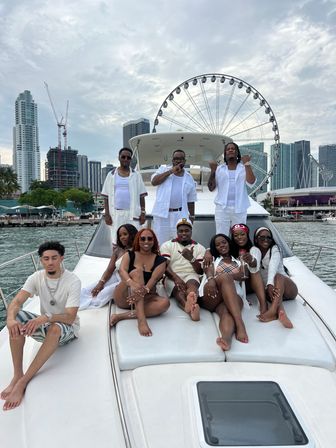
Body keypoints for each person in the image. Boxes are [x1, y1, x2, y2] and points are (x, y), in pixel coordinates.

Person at [1, 241, 81, 411]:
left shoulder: (72, 281)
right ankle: (17, 374)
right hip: (45, 324)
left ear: (61, 259)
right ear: (41, 261)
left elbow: (70, 316)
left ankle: (23, 381)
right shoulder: (36, 277)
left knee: (55, 328)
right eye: (46, 259)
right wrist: (10, 320)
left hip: (67, 329)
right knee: (16, 319)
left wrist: (45, 318)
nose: (50, 262)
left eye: (54, 258)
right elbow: (16, 302)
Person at [110, 228, 170, 336]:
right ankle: (141, 321)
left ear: (154, 241)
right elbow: (122, 271)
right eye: (143, 238)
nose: (146, 241)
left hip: (146, 296)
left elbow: (154, 279)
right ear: (138, 240)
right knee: (137, 272)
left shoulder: (161, 260)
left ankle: (120, 316)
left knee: (165, 303)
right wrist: (132, 284)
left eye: (149, 238)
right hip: (125, 296)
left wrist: (141, 293)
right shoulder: (130, 254)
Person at [199, 234, 248, 351]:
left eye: (224, 242)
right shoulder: (212, 258)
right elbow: (208, 269)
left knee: (226, 313)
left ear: (229, 243)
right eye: (217, 244)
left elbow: (244, 275)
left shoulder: (239, 259)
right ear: (214, 248)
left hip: (232, 295)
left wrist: (226, 276)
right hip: (213, 292)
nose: (221, 245)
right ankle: (240, 325)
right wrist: (212, 279)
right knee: (225, 278)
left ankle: (226, 339)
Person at [79, 224, 138, 310]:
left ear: (132, 234)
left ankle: (80, 307)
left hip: (126, 280)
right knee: (89, 289)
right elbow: (109, 270)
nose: (122, 237)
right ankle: (69, 303)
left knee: (103, 293)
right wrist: (101, 283)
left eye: (125, 234)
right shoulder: (118, 250)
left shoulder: (138, 251)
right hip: (115, 276)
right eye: (120, 235)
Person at [160, 218, 206, 321]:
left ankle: (191, 303)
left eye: (187, 231)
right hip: (172, 275)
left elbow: (200, 271)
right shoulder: (167, 245)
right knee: (179, 290)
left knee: (193, 286)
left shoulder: (199, 247)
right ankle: (190, 310)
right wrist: (176, 278)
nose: (183, 233)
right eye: (181, 231)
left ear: (191, 232)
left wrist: (191, 258)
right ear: (176, 232)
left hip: (191, 274)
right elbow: (164, 266)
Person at [208, 142, 256, 236]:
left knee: (239, 236)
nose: (230, 150)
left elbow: (251, 182)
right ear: (225, 154)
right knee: (221, 235)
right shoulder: (219, 169)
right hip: (222, 208)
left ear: (237, 152)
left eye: (233, 149)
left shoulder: (243, 168)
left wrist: (247, 164)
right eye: (228, 149)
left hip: (240, 208)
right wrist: (213, 171)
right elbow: (211, 188)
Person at [254, 226, 297, 327]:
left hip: (288, 289)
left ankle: (272, 311)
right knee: (275, 294)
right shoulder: (255, 251)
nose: (266, 240)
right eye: (262, 237)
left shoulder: (275, 249)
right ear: (256, 239)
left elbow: (273, 265)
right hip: (273, 292)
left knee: (278, 276)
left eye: (269, 237)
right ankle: (281, 313)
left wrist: (269, 284)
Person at [151, 149, 197, 244]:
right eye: (176, 158)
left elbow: (191, 200)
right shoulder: (163, 170)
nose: (178, 161)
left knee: (179, 244)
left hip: (180, 215)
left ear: (184, 161)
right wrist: (171, 171)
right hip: (162, 215)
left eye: (181, 159)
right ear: (172, 160)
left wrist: (192, 216)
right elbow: (154, 182)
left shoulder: (189, 178)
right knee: (160, 244)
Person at [101, 147, 147, 242]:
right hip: (116, 214)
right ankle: (119, 257)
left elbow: (141, 196)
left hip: (133, 213)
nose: (126, 159)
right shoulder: (111, 175)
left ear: (131, 159)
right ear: (119, 158)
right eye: (123, 157)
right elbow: (106, 197)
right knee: (117, 240)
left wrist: (143, 213)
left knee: (135, 240)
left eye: (128, 158)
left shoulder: (136, 175)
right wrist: (107, 214)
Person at [230, 223, 267, 316]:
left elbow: (255, 265)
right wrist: (208, 251)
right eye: (236, 235)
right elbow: (215, 248)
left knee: (254, 271)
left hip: (251, 283)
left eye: (242, 234)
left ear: (247, 235)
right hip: (236, 284)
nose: (239, 237)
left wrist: (250, 260)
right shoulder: (229, 249)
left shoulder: (254, 249)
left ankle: (263, 305)